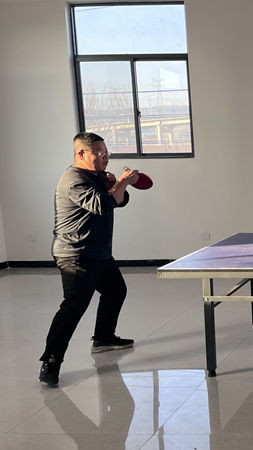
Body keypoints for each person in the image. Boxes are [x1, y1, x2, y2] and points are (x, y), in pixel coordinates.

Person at [38, 132, 140, 387]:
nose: (106, 157)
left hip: (98, 252)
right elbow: (103, 205)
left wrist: (117, 184)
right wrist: (121, 183)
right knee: (74, 307)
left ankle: (103, 338)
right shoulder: (73, 180)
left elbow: (120, 201)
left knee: (116, 290)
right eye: (99, 153)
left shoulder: (97, 176)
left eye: (107, 152)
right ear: (81, 154)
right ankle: (51, 361)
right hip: (75, 253)